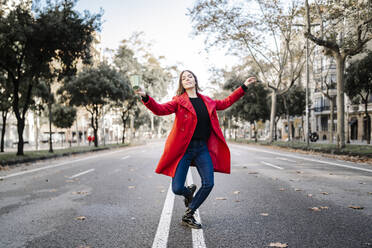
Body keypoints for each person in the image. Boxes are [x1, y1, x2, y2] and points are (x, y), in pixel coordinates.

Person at [135, 70, 256, 229]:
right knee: (177, 188)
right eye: (183, 78)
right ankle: (188, 192)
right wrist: (145, 96)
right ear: (182, 84)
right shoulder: (178, 101)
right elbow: (159, 109)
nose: (187, 79)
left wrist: (244, 87)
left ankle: (189, 214)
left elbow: (226, 102)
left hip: (201, 148)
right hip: (184, 149)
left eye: (190, 76)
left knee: (208, 183)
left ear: (195, 80)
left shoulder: (207, 101)